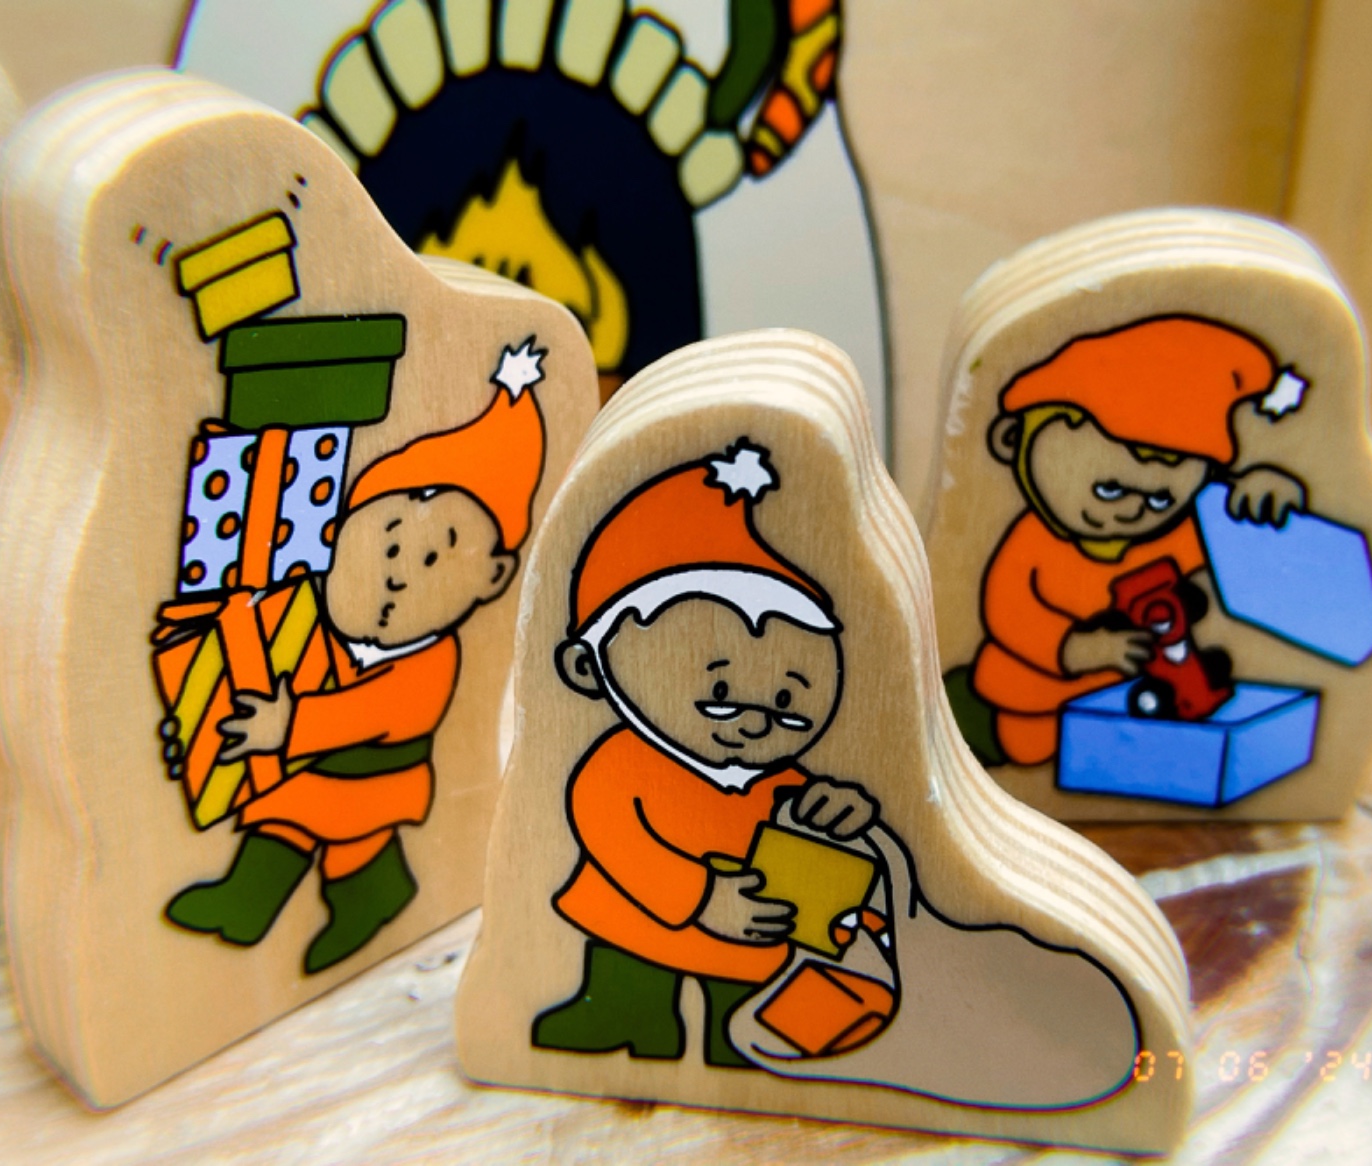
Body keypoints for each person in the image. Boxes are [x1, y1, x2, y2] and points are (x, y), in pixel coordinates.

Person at [166, 366, 545, 973]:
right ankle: (244, 905)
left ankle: (366, 901)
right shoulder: (313, 623)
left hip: (372, 780)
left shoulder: (429, 661)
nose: (398, 571)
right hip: (307, 766)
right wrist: (202, 719)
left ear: (493, 576)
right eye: (389, 543)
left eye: (433, 556)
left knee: (346, 841)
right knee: (285, 817)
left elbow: (373, 712)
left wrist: (289, 726)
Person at [533, 440, 879, 1067]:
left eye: (786, 702)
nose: (756, 722)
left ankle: (735, 1051)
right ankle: (625, 1020)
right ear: (588, 667)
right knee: (627, 978)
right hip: (633, 919)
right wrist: (700, 898)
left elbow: (801, 811)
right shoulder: (619, 765)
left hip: (750, 936)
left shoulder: (777, 778)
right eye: (719, 695)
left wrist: (839, 809)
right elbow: (613, 836)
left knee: (742, 1020)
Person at [946, 315, 1309, 768]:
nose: (1135, 511)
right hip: (1037, 700)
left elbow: (1234, 548)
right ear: (1011, 440)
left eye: (1160, 498)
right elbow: (1012, 614)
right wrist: (1080, 650)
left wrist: (1262, 493)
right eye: (1109, 489)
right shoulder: (1031, 546)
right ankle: (965, 717)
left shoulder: (1176, 536)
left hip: (1132, 697)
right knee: (1029, 746)